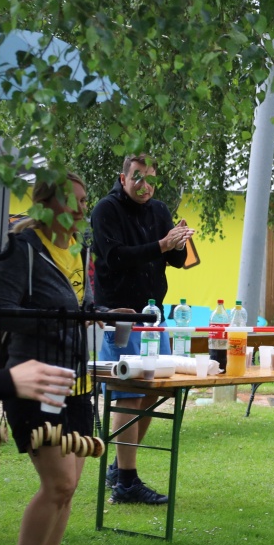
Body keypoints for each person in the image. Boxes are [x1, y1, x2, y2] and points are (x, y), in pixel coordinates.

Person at [0, 174, 91, 545]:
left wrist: (99, 313)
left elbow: (77, 308)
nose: (81, 210)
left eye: (85, 201)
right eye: (73, 202)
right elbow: (1, 311)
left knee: (69, 489)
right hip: (33, 379)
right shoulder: (24, 249)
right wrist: (54, 319)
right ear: (46, 206)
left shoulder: (78, 251)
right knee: (58, 482)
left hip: (76, 381)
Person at [90, 153, 194, 505]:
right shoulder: (106, 210)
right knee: (128, 393)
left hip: (154, 316)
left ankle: (119, 469)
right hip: (120, 315)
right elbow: (115, 256)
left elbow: (175, 261)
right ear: (123, 178)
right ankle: (127, 482)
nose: (144, 185)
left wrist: (179, 241)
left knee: (157, 389)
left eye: (150, 179)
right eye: (137, 177)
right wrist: (162, 244)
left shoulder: (159, 210)